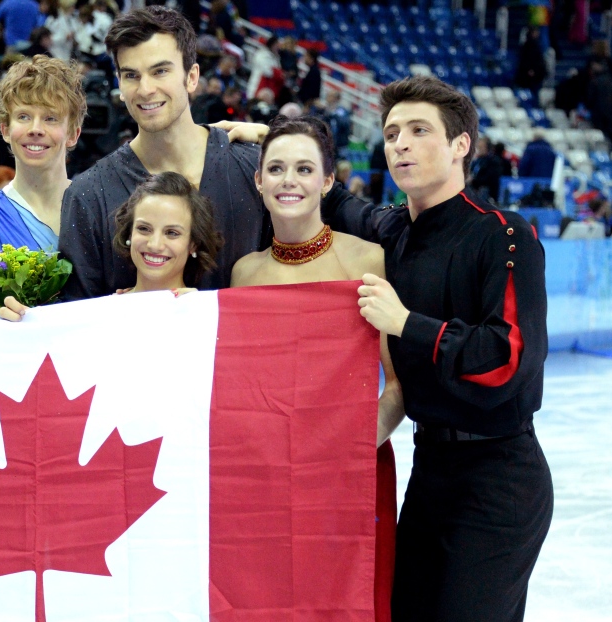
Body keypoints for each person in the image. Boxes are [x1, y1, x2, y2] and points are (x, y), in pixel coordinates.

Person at [327, 75, 552, 621]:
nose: (399, 143)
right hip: (430, 471)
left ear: (460, 145)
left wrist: (407, 323)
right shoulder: (394, 231)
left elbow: (510, 359)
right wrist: (272, 143)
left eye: (419, 130)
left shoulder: (504, 233)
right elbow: (342, 206)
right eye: (391, 132)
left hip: (498, 477)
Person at [229, 116, 404, 622]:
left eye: (305, 169)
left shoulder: (366, 260)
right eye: (277, 168)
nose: (289, 181)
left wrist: (349, 447)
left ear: (328, 181)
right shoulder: (244, 274)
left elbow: (398, 384)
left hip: (353, 467)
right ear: (258, 180)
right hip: (268, 474)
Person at [58, 6, 329, 300]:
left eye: (160, 71)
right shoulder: (88, 195)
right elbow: (73, 324)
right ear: (120, 85)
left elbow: (320, 258)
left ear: (192, 77)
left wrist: (279, 141)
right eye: (131, 75)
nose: (146, 89)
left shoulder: (258, 167)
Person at [0, 55, 87, 313]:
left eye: (50, 118)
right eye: (24, 116)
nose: (35, 129)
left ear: (73, 133)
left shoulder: (98, 214)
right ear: (4, 129)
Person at [0, 171, 224, 322]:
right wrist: (24, 327)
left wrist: (199, 309)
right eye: (144, 229)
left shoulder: (211, 316)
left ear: (193, 243)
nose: (155, 244)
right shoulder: (98, 316)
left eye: (172, 233)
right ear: (129, 234)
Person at [468, 135, 504, 204]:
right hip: (474, 189)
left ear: (487, 148)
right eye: (478, 147)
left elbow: (491, 178)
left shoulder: (493, 161)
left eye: (481, 147)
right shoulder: (478, 160)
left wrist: (473, 180)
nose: (478, 149)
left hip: (486, 192)